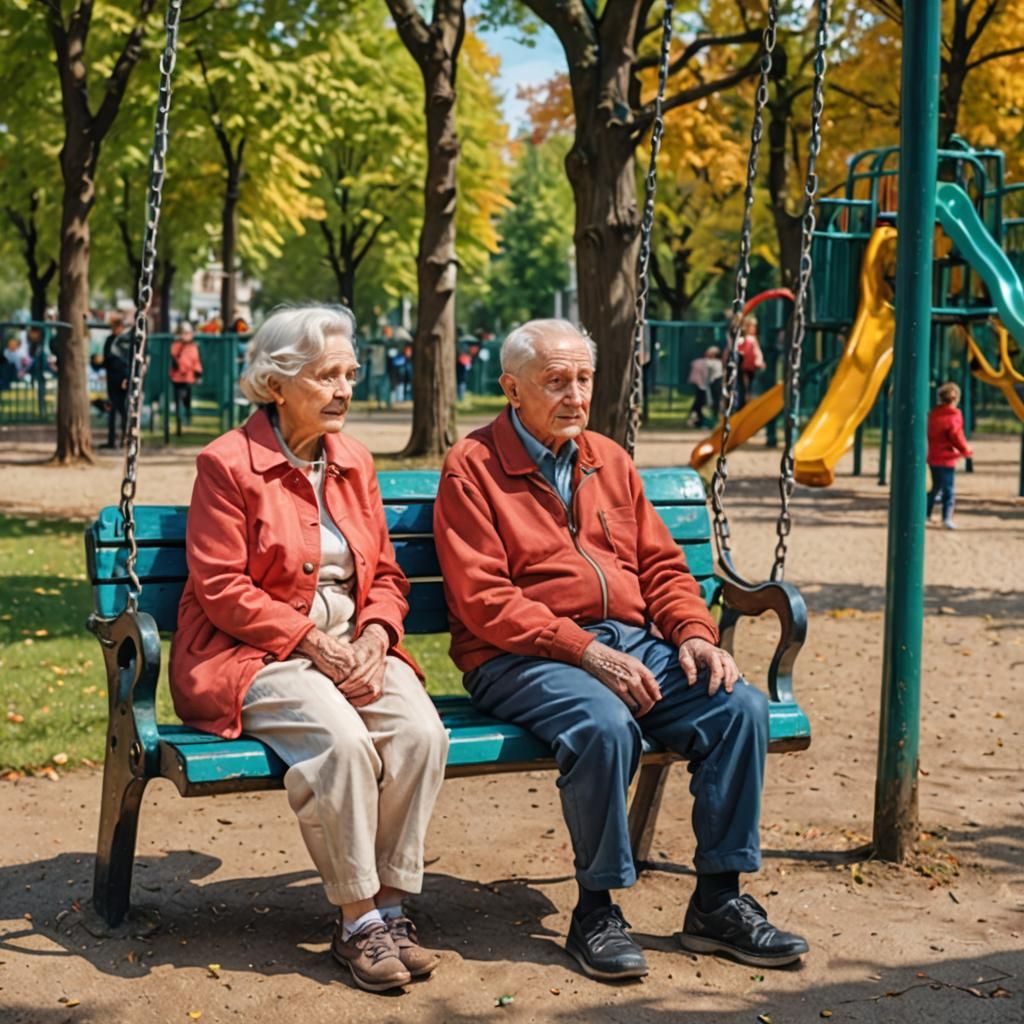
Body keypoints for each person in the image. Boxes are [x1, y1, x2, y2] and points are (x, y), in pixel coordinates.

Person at [433, 318, 808, 983]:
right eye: (556, 382)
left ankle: (719, 900)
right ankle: (596, 910)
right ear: (512, 390)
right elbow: (483, 600)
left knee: (737, 707)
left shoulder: (607, 457)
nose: (575, 395)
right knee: (603, 725)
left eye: (583, 379)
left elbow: (664, 568)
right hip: (516, 655)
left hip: (631, 643)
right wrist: (585, 653)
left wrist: (694, 633)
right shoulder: (474, 466)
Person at [169, 305, 449, 992]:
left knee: (420, 732)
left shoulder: (353, 460)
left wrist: (379, 635)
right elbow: (221, 585)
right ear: (276, 382)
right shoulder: (228, 463)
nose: (343, 390)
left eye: (349, 374)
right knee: (343, 746)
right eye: (327, 376)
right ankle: (357, 923)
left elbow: (383, 571)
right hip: (253, 654)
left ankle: (389, 904)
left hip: (353, 645)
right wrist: (314, 644)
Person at [927, 381, 973, 529]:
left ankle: (925, 513)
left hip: (934, 456)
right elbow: (956, 435)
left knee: (935, 487)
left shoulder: (933, 414)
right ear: (955, 399)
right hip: (947, 458)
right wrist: (965, 450)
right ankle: (947, 517)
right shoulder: (954, 415)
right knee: (949, 489)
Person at [101, 313, 132, 450]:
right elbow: (106, 360)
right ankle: (112, 440)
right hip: (112, 380)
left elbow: (128, 362)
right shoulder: (109, 341)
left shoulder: (125, 342)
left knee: (124, 410)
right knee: (112, 410)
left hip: (122, 380)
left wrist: (127, 378)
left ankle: (125, 439)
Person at [169, 321, 204, 436]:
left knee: (186, 399)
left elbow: (196, 361)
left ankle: (187, 415)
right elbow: (173, 360)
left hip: (188, 379)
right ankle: (179, 423)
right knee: (179, 399)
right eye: (184, 333)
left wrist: (198, 373)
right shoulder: (175, 346)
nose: (186, 335)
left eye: (188, 333)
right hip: (177, 378)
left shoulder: (193, 347)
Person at [687, 345, 723, 428]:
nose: (707, 353)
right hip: (703, 386)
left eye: (710, 352)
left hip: (712, 386)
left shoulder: (716, 363)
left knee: (711, 404)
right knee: (700, 403)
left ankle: (710, 421)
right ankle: (698, 420)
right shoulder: (707, 362)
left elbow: (696, 363)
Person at [735, 316, 765, 407]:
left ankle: (746, 402)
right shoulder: (748, 339)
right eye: (752, 326)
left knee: (748, 386)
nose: (754, 329)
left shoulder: (751, 339)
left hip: (751, 367)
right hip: (748, 366)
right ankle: (744, 403)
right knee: (746, 387)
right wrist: (758, 362)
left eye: (755, 326)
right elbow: (748, 353)